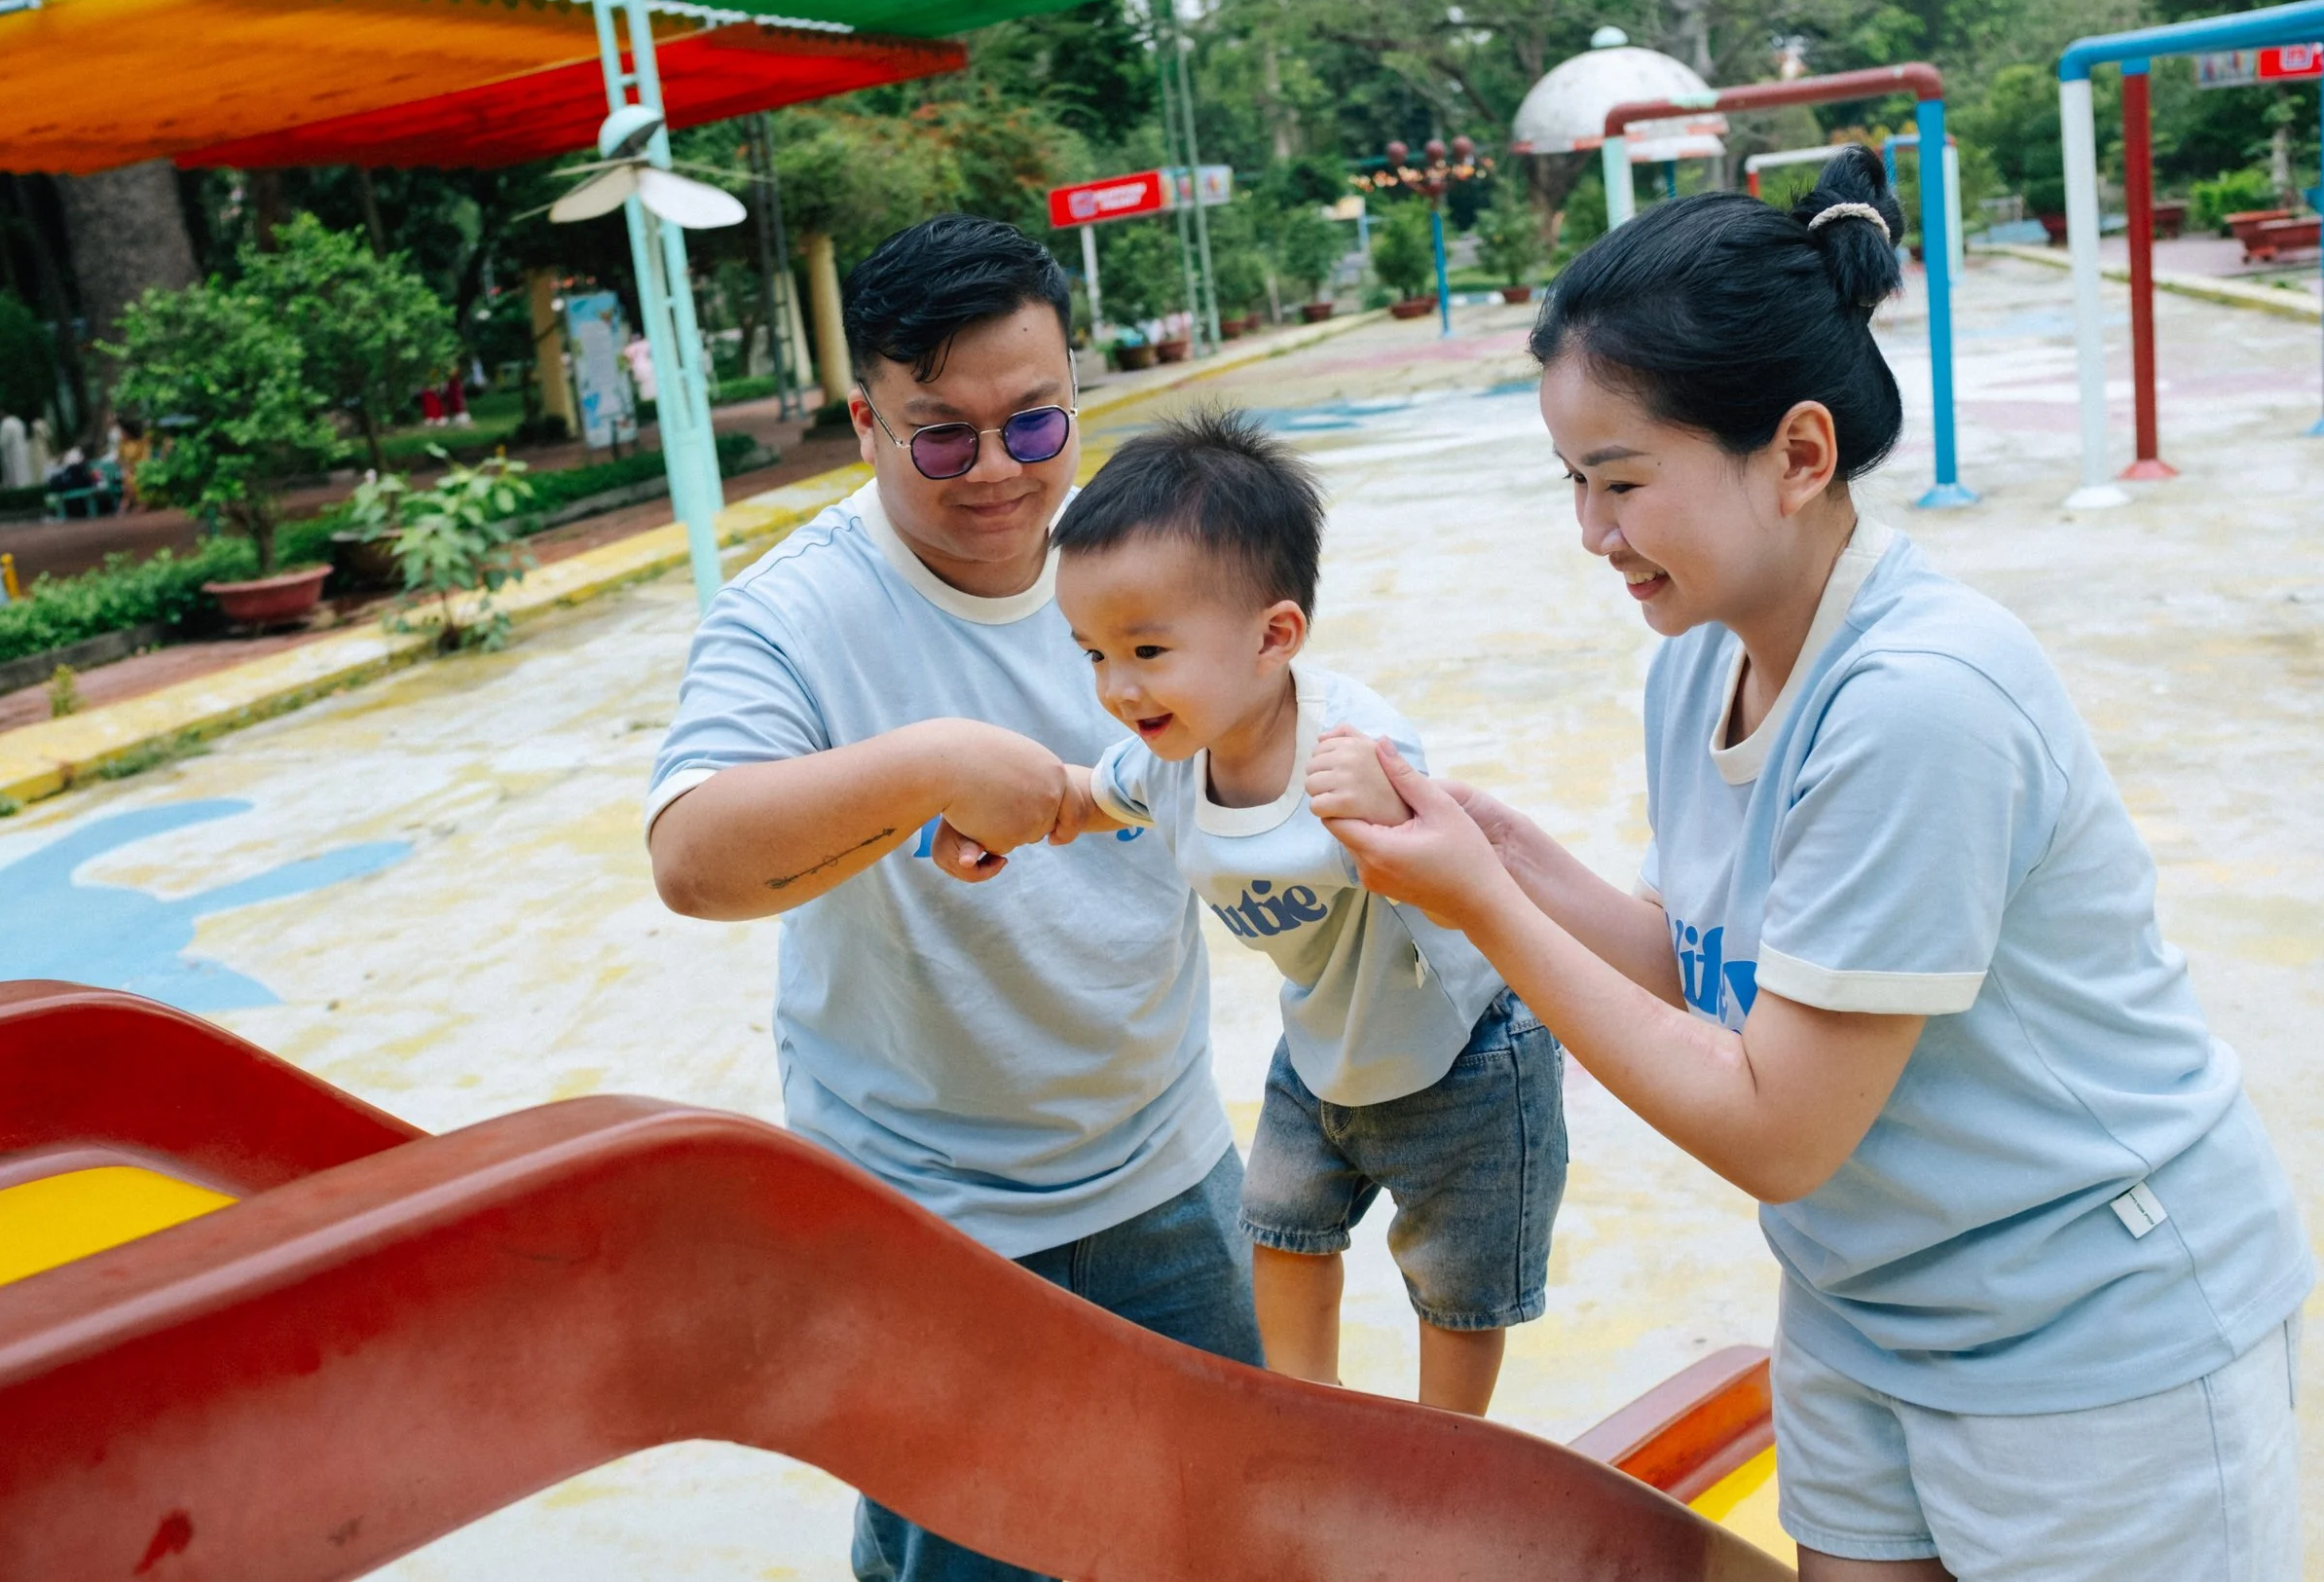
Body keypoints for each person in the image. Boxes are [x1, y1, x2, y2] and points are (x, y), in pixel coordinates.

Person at [1319, 145, 2311, 1580]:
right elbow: (1709, 970)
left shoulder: (1919, 699)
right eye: (1572, 483)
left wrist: (1478, 901)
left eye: (1621, 481)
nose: (1592, 534)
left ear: (1796, 454)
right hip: (1868, 1296)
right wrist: (1504, 852)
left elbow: (1777, 1122)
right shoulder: (1698, 656)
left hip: (2093, 1330)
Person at [645, 215, 1258, 1582]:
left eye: (1034, 426)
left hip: (1169, 1164)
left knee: (1224, 1530)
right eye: (941, 436)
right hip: (927, 1215)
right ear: (864, 420)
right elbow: (692, 857)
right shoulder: (794, 616)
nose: (996, 471)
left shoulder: (1159, 560)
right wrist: (925, 768)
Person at [1028, 409, 1566, 1416]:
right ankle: (1303, 1415)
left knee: (1456, 1279)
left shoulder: (1350, 750)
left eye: (1145, 647)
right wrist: (1007, 814)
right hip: (1327, 1042)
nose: (1116, 685)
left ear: (1275, 636)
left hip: (1466, 1052)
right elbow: (1090, 793)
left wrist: (1387, 796)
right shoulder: (1169, 756)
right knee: (1278, 1219)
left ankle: (1447, 1454)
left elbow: (1448, 834)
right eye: (1092, 652)